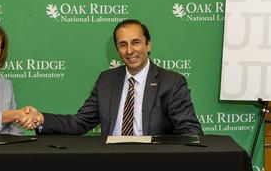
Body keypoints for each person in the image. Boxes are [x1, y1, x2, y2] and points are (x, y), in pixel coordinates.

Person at [33, 19, 203, 136]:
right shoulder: (106, 80)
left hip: (154, 164)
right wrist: (42, 119)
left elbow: (190, 131)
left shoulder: (171, 83)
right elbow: (80, 123)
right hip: (110, 162)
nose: (130, 50)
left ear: (148, 44)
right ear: (117, 49)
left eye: (136, 42)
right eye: (123, 45)